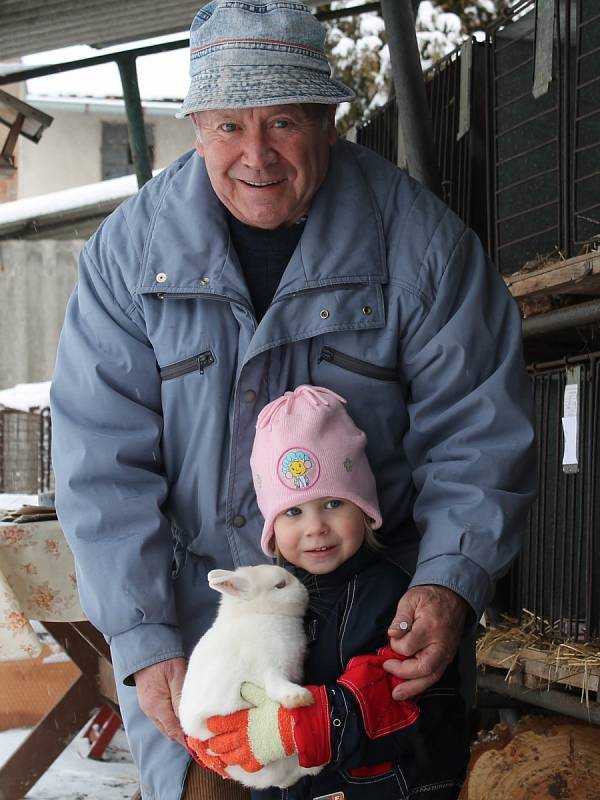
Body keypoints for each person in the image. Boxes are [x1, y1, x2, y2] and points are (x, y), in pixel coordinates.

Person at [50, 1, 536, 797]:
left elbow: (478, 433)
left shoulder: (421, 245)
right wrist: (144, 637)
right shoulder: (129, 258)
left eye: (281, 121)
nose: (255, 155)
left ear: (328, 120)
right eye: (227, 127)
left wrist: (449, 580)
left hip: (378, 629)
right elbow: (102, 464)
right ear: (196, 127)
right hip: (208, 627)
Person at [186, 384, 470, 799]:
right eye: (294, 511)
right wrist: (209, 722)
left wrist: (312, 725)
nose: (315, 526)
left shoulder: (395, 594)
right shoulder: (272, 605)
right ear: (272, 528)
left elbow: (408, 699)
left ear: (365, 509)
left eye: (334, 503)